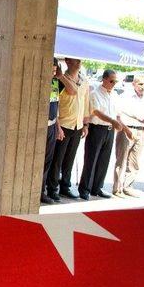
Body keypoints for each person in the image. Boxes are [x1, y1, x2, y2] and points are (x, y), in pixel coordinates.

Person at [77, 70, 131, 200]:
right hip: (97, 128)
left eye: (115, 81)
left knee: (104, 160)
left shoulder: (114, 95)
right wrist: (112, 121)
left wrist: (124, 127)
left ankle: (97, 187)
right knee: (91, 159)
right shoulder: (95, 94)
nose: (113, 84)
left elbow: (117, 114)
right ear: (104, 79)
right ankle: (85, 188)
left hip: (109, 129)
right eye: (111, 81)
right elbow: (96, 112)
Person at [46, 57, 90, 200]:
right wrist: (61, 76)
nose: (79, 63)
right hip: (63, 124)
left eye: (80, 60)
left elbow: (86, 103)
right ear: (68, 61)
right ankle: (53, 188)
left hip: (77, 124)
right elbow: (72, 91)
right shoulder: (59, 79)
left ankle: (65, 186)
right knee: (57, 160)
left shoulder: (84, 80)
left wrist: (85, 124)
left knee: (69, 160)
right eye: (76, 60)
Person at [113, 78, 144, 197]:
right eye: (140, 84)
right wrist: (127, 128)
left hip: (140, 130)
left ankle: (128, 187)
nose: (143, 86)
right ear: (134, 84)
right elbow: (119, 113)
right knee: (121, 159)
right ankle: (118, 188)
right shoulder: (126, 96)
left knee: (134, 161)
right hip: (127, 128)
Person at [41, 58, 65, 204]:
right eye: (50, 69)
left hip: (51, 125)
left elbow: (56, 105)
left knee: (47, 161)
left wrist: (58, 126)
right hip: (40, 126)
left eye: (55, 70)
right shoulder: (38, 82)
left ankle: (41, 191)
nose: (53, 73)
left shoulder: (55, 83)